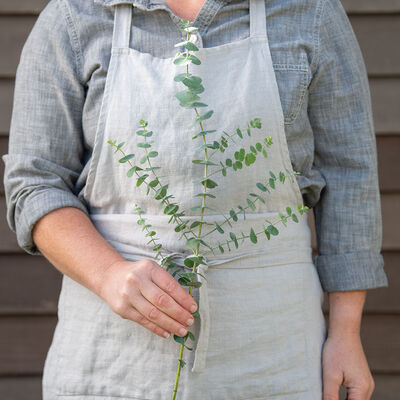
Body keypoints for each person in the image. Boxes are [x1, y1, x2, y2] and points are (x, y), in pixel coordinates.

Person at [2, 0, 389, 399]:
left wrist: (346, 331)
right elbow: (35, 182)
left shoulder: (311, 12)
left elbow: (349, 172)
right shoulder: (73, 17)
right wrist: (107, 273)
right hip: (112, 357)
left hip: (275, 348)